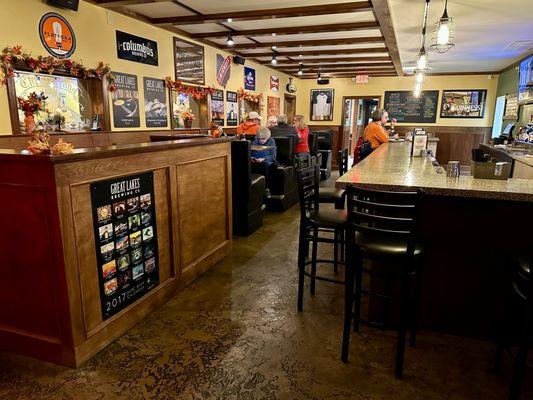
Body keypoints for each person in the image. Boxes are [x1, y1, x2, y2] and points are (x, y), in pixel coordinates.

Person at [251, 126, 277, 192]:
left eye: (263, 139)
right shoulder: (255, 142)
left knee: (264, 165)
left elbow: (273, 156)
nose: (261, 141)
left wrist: (264, 158)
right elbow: (251, 153)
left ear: (267, 137)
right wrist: (252, 158)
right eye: (259, 139)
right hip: (256, 160)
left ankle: (266, 188)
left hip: (268, 161)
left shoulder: (271, 141)